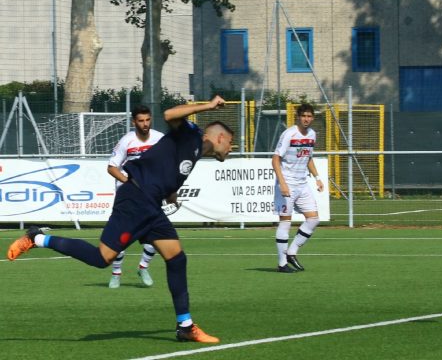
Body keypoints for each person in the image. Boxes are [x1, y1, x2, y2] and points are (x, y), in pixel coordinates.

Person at [7, 95, 233, 343]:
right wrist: (209, 106)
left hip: (151, 205)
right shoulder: (191, 134)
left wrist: (170, 193)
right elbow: (169, 114)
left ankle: (185, 326)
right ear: (219, 137)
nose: (230, 149)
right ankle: (37, 237)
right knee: (101, 258)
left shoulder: (196, 150)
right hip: (136, 200)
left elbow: (168, 166)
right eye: (230, 143)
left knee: (177, 259)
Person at [107, 104, 164, 289]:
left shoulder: (159, 139)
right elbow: (112, 167)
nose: (145, 124)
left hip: (150, 194)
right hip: (128, 195)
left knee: (156, 236)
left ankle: (143, 267)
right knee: (122, 237)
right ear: (134, 122)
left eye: (147, 120)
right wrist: (127, 182)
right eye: (141, 121)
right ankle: (116, 274)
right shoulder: (126, 141)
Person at [272, 103, 324, 273]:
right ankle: (281, 264)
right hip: (287, 183)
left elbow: (308, 158)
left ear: (312, 118)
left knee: (313, 219)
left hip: (302, 184)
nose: (306, 119)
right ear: (298, 117)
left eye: (309, 116)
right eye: (304, 116)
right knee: (285, 222)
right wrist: (283, 183)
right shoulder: (289, 134)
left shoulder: (312, 135)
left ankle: (292, 252)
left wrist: (317, 178)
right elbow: (275, 159)